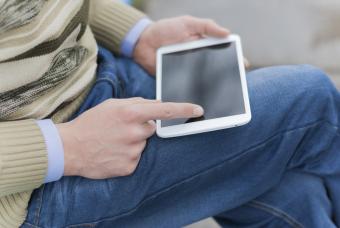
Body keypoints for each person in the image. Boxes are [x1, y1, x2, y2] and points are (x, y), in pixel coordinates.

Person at [0, 0, 339, 227]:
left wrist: (137, 35)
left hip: (104, 77)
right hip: (28, 185)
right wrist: (67, 147)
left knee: (294, 194)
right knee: (309, 97)